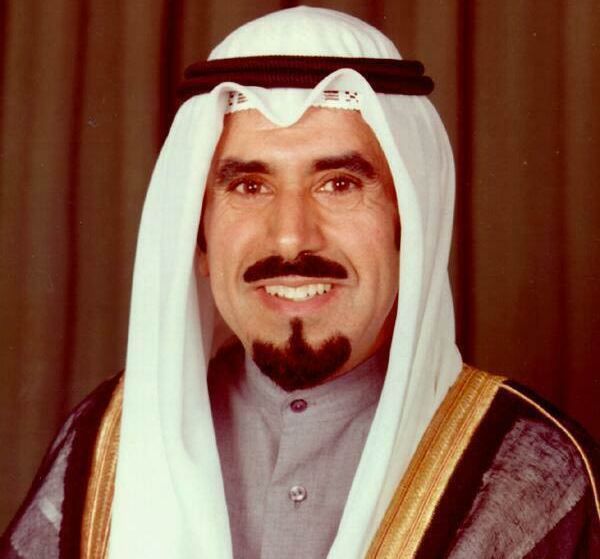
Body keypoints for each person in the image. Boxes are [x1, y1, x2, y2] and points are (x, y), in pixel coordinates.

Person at [1, 6, 598, 559]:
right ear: (198, 238)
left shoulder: (534, 474)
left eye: (339, 184)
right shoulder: (105, 444)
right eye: (248, 186)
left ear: (410, 227)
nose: (290, 238)